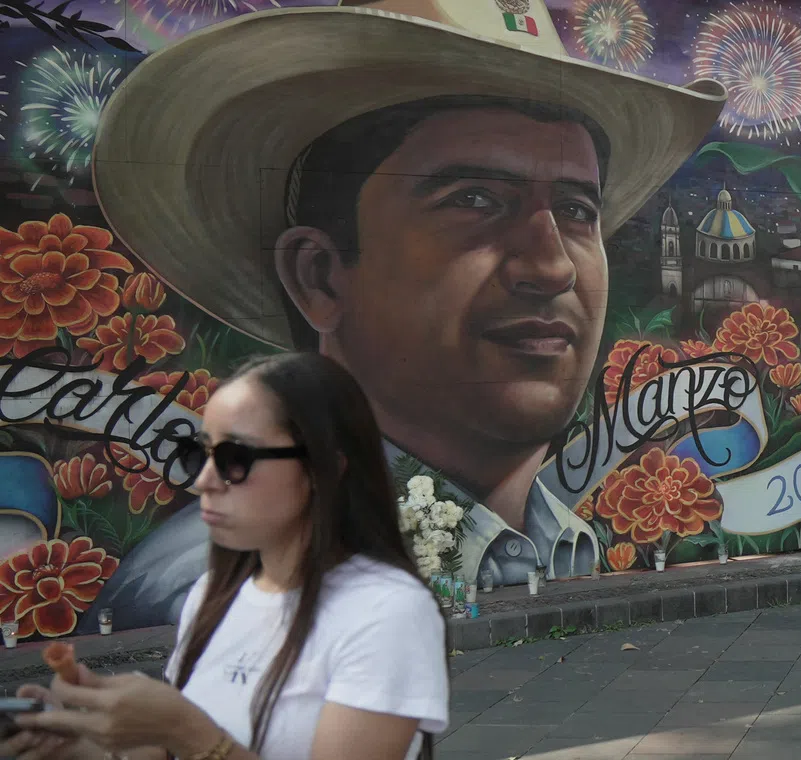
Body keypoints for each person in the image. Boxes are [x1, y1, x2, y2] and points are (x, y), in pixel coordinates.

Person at [75, 0, 726, 632]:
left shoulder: (558, 542)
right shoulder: (234, 587)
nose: (552, 266)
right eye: (475, 199)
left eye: (578, 211)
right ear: (319, 276)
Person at [2, 352, 449, 760]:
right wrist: (79, 744)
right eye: (198, 453)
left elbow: (190, 740)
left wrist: (186, 730)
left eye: (235, 458)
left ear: (325, 469)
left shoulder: (387, 611)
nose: (204, 481)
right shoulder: (214, 594)